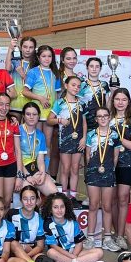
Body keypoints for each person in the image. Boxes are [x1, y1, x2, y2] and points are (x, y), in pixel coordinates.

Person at [106, 88, 131, 252]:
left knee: (123, 198)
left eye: (124, 99)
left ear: (128, 102)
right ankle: (112, 232)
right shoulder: (107, 119)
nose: (120, 102)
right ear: (113, 101)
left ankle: (120, 235)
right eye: (117, 99)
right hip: (109, 165)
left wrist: (118, 138)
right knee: (110, 200)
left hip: (126, 164)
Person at [39, 193, 107, 262]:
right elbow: (53, 246)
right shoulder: (47, 223)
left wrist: (74, 255)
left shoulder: (72, 222)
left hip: (74, 252)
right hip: (59, 254)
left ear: (66, 207)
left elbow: (79, 243)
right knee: (50, 252)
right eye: (55, 207)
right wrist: (70, 256)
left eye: (62, 207)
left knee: (99, 252)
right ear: (50, 209)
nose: (59, 210)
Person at [22, 45, 61, 176]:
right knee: (35, 143)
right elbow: (25, 91)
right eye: (44, 56)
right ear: (38, 57)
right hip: (37, 113)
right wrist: (40, 98)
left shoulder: (55, 73)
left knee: (47, 145)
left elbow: (57, 95)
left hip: (49, 114)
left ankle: (46, 173)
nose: (46, 58)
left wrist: (55, 112)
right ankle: (33, 171)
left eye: (49, 56)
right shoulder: (33, 72)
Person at [47, 76, 87, 205]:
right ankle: (64, 195)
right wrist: (59, 120)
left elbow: (84, 123)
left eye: (78, 86)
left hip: (78, 140)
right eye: (73, 85)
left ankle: (73, 196)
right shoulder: (60, 103)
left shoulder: (81, 103)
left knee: (75, 169)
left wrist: (84, 138)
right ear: (66, 85)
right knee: (65, 168)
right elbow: (49, 119)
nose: (76, 88)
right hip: (64, 139)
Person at [84, 107, 119, 246]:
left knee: (107, 206)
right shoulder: (91, 135)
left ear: (109, 117)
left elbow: (116, 156)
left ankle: (108, 238)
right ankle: (91, 237)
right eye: (100, 116)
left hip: (108, 173)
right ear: (96, 119)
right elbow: (87, 155)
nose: (103, 118)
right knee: (93, 205)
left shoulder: (115, 135)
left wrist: (108, 169)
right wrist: (93, 168)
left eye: (105, 115)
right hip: (93, 173)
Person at [6, 186, 50, 262]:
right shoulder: (12, 214)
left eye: (32, 198)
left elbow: (40, 246)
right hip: (13, 252)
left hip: (31, 251)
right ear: (21, 200)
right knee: (14, 243)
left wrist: (28, 255)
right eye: (25, 199)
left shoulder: (40, 218)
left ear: (38, 200)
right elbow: (7, 241)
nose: (29, 202)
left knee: (43, 258)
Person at [15, 102, 57, 195]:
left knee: (55, 195)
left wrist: (42, 173)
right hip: (20, 169)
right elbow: (16, 156)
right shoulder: (17, 131)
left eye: (34, 114)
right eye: (28, 114)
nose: (31, 117)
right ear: (23, 116)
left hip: (34, 169)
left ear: (38, 117)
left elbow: (40, 159)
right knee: (30, 195)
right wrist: (27, 175)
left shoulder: (40, 135)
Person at [5, 36, 38, 114]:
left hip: (30, 106)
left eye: (31, 47)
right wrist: (10, 49)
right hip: (14, 104)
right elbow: (7, 69)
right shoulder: (16, 61)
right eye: (25, 47)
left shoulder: (37, 65)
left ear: (34, 49)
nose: (27, 50)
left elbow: (37, 86)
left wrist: (23, 75)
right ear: (21, 47)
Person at [79, 57, 111, 132]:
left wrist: (112, 93)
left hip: (101, 123)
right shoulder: (82, 85)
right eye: (91, 66)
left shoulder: (104, 85)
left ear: (100, 69)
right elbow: (78, 105)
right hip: (85, 123)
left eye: (97, 66)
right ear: (87, 68)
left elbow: (108, 106)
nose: (94, 69)